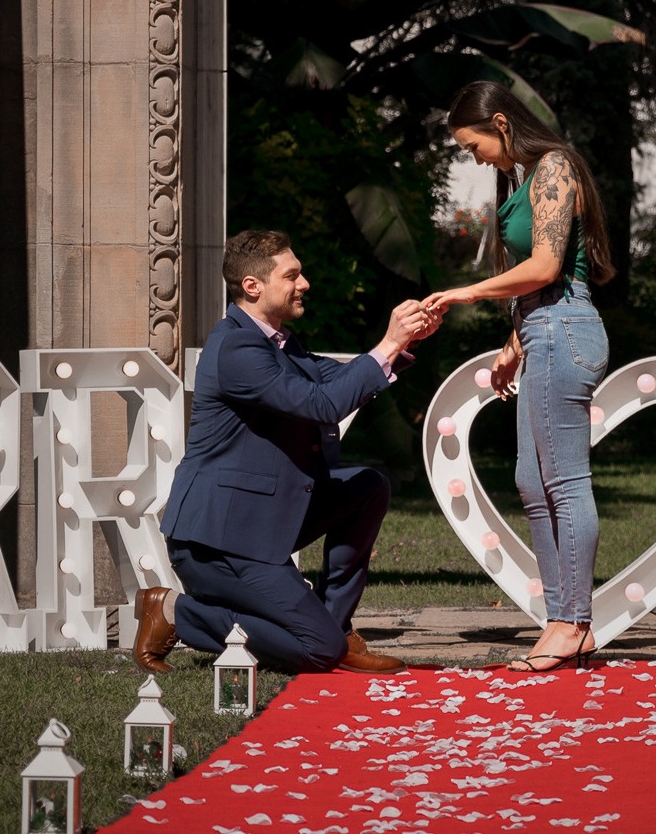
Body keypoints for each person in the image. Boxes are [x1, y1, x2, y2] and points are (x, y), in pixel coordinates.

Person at [135, 229, 437, 674]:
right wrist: (387, 344)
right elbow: (322, 405)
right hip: (218, 543)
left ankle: (336, 628)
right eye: (292, 275)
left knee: (368, 487)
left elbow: (330, 381)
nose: (305, 283)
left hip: (263, 524)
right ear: (253, 286)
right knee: (315, 652)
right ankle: (176, 612)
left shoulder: (277, 342)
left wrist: (401, 344)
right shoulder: (236, 346)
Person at [424, 81, 615, 672]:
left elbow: (549, 266)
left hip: (563, 329)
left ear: (501, 124)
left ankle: (574, 622)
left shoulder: (555, 166)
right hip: (541, 331)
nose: (472, 156)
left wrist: (469, 291)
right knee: (533, 485)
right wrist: (513, 341)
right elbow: (541, 284)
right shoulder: (524, 180)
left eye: (471, 144)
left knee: (563, 481)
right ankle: (561, 619)